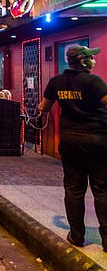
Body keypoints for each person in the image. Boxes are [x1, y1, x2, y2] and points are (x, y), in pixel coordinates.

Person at [39, 45, 107, 251]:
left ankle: (76, 236)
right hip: (97, 140)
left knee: (74, 189)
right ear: (83, 61)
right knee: (102, 190)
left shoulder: (56, 82)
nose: (94, 61)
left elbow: (43, 108)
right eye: (91, 59)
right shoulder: (94, 81)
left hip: (69, 140)